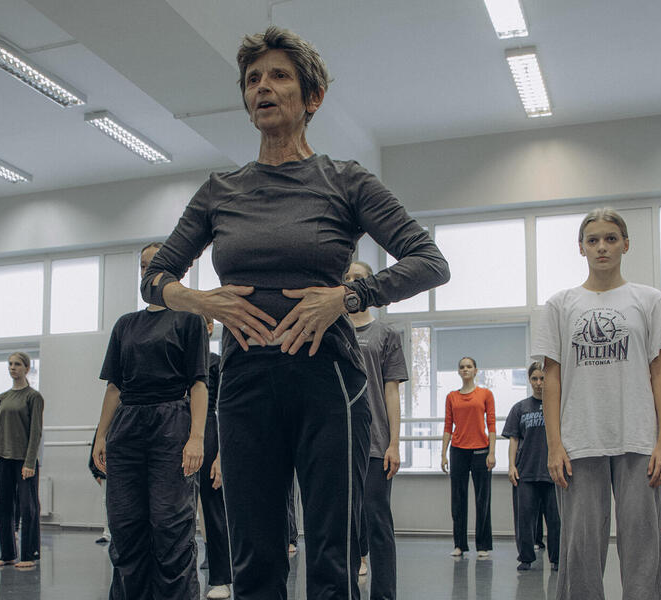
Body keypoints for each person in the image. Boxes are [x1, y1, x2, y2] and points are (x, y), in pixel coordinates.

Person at [140, 25, 449, 600]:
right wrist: (198, 300)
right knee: (253, 555)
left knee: (332, 555)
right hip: (244, 385)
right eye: (253, 79)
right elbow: (154, 280)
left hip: (329, 382)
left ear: (313, 98)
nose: (263, 87)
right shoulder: (220, 191)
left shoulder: (345, 180)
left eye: (279, 76)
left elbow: (430, 261)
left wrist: (350, 296)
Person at [534, 207, 661, 600]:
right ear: (580, 248)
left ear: (626, 244)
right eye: (593, 240)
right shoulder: (560, 304)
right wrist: (554, 444)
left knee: (644, 549)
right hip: (580, 441)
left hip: (638, 439)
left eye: (611, 239)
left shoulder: (648, 300)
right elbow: (552, 377)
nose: (602, 247)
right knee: (579, 550)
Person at [93, 242, 208, 600]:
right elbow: (114, 386)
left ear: (177, 270)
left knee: (169, 524)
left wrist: (197, 437)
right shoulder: (126, 325)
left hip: (171, 423)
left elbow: (199, 383)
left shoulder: (190, 321)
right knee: (126, 525)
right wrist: (100, 437)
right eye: (144, 265)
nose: (149, 270)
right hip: (126, 427)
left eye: (155, 264)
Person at [345, 261, 408, 599]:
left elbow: (392, 391)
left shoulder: (386, 334)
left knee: (377, 522)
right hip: (338, 445)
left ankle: (383, 594)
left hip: (375, 446)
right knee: (345, 527)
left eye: (359, 279)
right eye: (347, 278)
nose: (352, 284)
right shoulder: (331, 332)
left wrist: (394, 442)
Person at [0, 352, 44, 569]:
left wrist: (29, 463)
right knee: (2, 507)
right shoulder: (1, 398)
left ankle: (28, 555)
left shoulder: (33, 397)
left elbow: (35, 432)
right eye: (10, 364)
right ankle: (8, 553)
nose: (12, 368)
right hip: (3, 460)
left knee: (27, 508)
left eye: (17, 364)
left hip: (24, 462)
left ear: (26, 368)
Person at [502, 362, 560, 571]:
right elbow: (514, 440)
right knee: (524, 519)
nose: (538, 383)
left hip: (552, 473)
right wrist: (511, 466)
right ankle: (525, 558)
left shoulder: (558, 406)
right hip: (525, 472)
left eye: (542, 379)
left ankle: (557, 558)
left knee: (555, 520)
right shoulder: (520, 408)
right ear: (529, 380)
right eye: (534, 379)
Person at [441, 357, 496, 557]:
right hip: (458, 451)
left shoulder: (485, 394)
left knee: (483, 499)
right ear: (458, 371)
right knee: (458, 499)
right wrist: (443, 453)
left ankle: (483, 545)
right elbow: (448, 426)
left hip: (481, 450)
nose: (465, 369)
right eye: (462, 367)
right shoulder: (451, 397)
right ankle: (460, 545)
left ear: (475, 370)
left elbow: (491, 424)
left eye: (469, 366)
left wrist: (492, 452)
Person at [197, 315, 232, 599]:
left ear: (210, 327)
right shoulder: (181, 361)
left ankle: (221, 577)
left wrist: (221, 454)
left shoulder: (216, 362)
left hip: (210, 429)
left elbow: (225, 408)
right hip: (179, 427)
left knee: (213, 505)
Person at [88, 429, 111, 544]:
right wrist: (96, 472)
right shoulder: (104, 428)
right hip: (106, 473)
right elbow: (95, 448)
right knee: (106, 501)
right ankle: (107, 533)